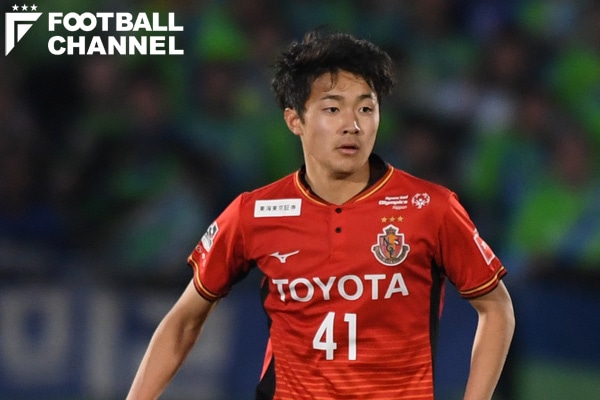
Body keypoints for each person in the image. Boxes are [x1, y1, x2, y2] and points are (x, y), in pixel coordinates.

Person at [126, 30, 515, 400]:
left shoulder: (430, 207)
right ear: (294, 120)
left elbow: (496, 307)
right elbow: (183, 322)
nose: (353, 125)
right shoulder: (253, 213)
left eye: (366, 108)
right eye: (333, 108)